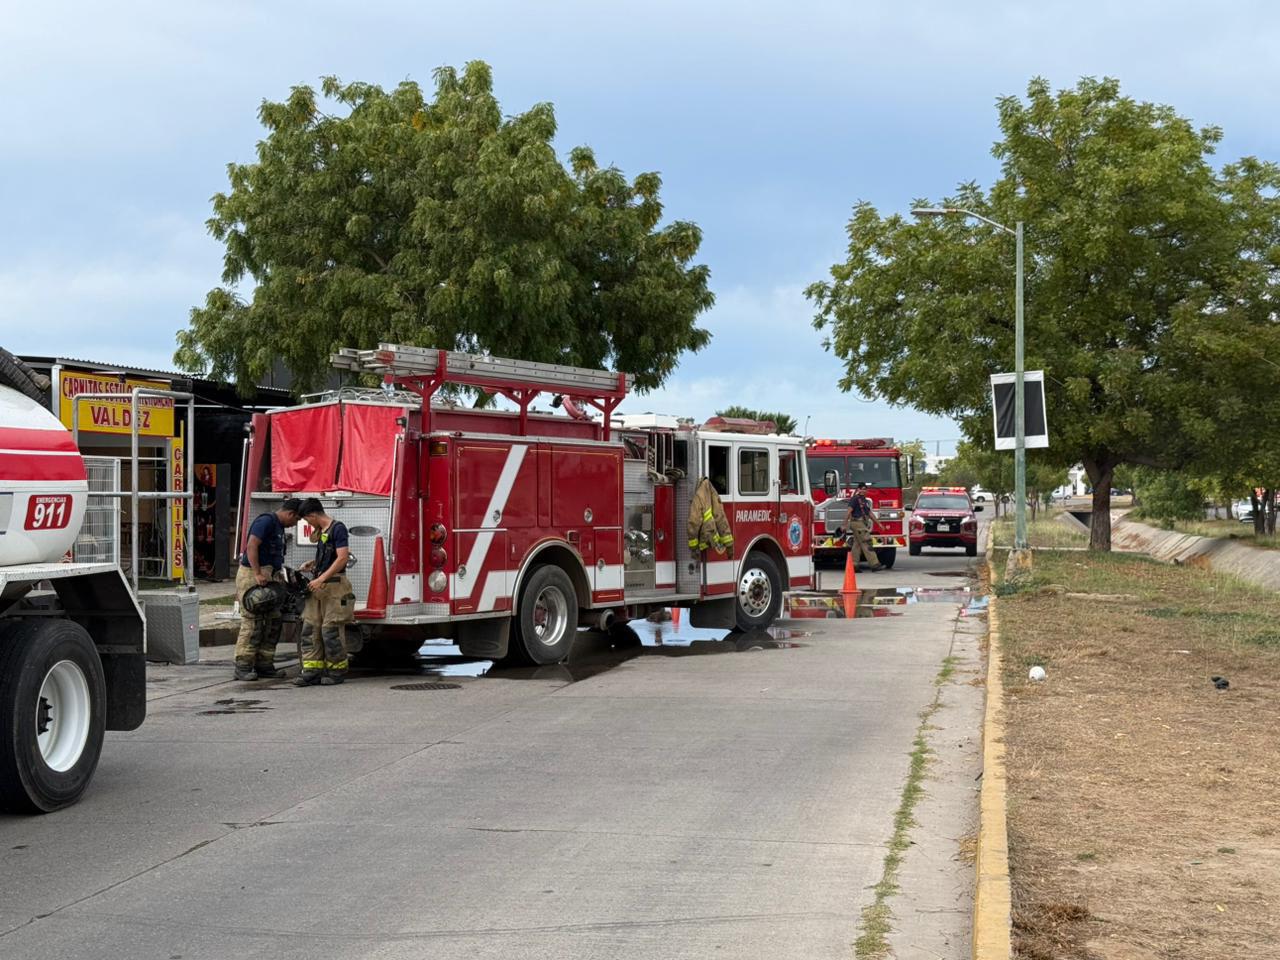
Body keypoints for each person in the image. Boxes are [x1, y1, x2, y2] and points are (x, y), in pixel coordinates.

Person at [234, 497, 303, 680]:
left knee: (273, 621)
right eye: (296, 520)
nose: (294, 524)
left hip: (270, 574)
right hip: (252, 574)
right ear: (290, 513)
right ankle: (243, 665)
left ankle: (264, 664)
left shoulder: (279, 527)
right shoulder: (265, 521)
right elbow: (252, 545)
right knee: (253, 622)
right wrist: (257, 573)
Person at [294, 498, 356, 686]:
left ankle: (336, 672)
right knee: (310, 628)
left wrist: (322, 578)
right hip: (319, 587)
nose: (308, 523)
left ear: (313, 515)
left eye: (307, 520)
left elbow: (342, 558)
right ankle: (311, 671)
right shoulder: (322, 532)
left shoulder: (338, 529)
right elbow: (329, 555)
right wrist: (313, 565)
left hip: (335, 587)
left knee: (331, 631)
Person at [847, 483, 884, 572]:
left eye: (865, 489)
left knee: (857, 545)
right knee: (867, 542)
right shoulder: (855, 499)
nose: (863, 491)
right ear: (858, 489)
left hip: (862, 523)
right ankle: (874, 564)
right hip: (857, 523)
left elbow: (870, 514)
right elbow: (849, 511)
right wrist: (844, 524)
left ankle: (854, 565)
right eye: (862, 489)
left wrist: (879, 524)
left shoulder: (864, 500)